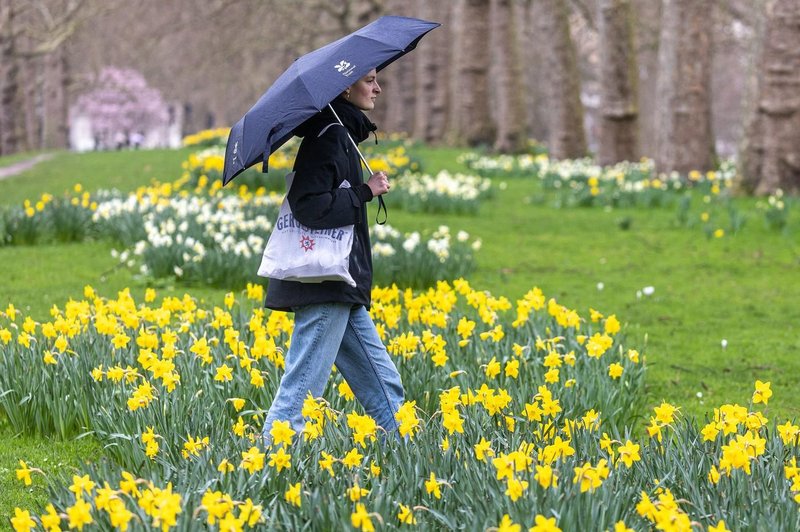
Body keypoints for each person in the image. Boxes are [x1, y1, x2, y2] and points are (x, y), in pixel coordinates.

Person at [262, 68, 404, 442]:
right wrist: (365, 193)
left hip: (340, 284)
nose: (377, 87)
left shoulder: (341, 135)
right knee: (301, 392)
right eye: (369, 79)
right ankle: (267, 466)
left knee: (384, 384)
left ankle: (413, 457)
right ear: (345, 86)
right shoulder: (329, 137)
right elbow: (309, 205)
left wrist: (363, 189)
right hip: (323, 282)